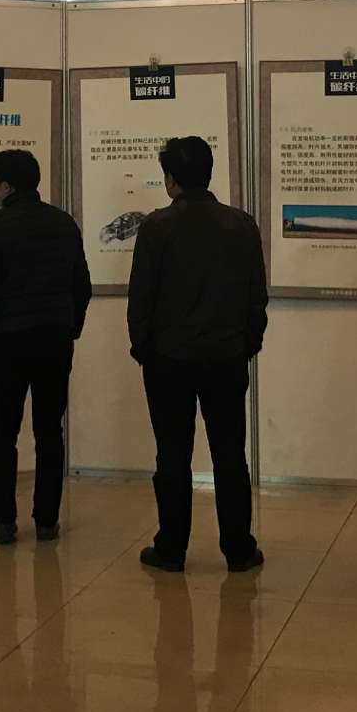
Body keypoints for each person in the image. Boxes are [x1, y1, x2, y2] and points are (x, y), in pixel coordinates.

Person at [128, 135, 267, 574]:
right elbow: (256, 298)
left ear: (171, 179)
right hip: (226, 357)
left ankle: (171, 548)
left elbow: (141, 299)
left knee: (172, 455)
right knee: (230, 454)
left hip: (168, 360)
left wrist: (144, 349)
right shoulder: (241, 225)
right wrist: (247, 343)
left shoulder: (156, 227)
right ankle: (239, 549)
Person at [0, 148, 93, 545]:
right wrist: (71, 328)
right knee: (49, 430)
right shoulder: (63, 224)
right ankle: (46, 521)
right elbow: (81, 286)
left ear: (5, 185)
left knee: (3, 431)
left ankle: (4, 521)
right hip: (54, 339)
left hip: (8, 342)